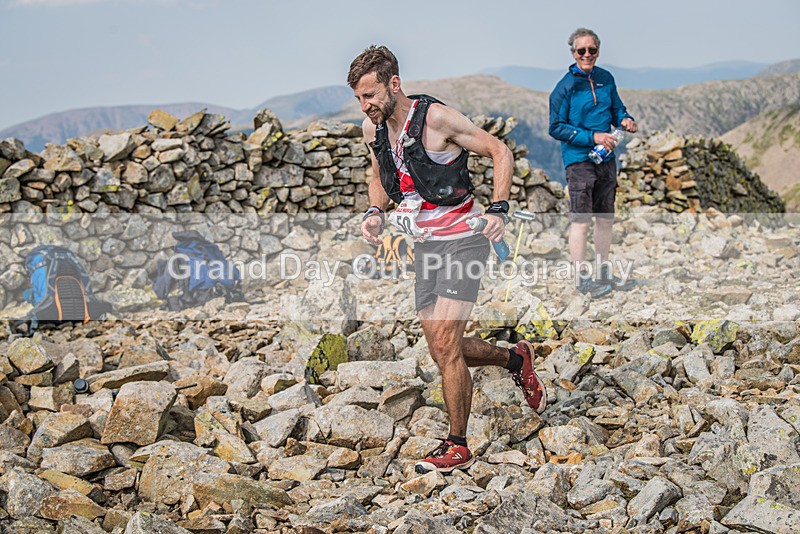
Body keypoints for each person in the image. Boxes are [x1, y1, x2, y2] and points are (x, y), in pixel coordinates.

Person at [348, 45, 547, 474]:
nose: (365, 106)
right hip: (425, 244)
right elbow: (379, 174)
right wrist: (374, 211)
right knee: (444, 351)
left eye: (370, 96)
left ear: (394, 84)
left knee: (445, 345)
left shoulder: (436, 120)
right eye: (359, 99)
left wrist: (498, 208)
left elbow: (499, 151)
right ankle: (516, 360)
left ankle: (458, 444)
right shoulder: (374, 128)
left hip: (464, 239)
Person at [549, 28, 638, 299]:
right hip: (578, 161)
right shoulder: (564, 87)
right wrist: (593, 136)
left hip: (606, 158)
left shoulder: (605, 78)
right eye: (581, 51)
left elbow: (617, 109)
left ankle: (602, 271)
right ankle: (581, 278)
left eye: (592, 50)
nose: (587, 55)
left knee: (605, 219)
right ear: (573, 53)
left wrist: (625, 119)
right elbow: (556, 128)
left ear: (598, 51)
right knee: (581, 220)